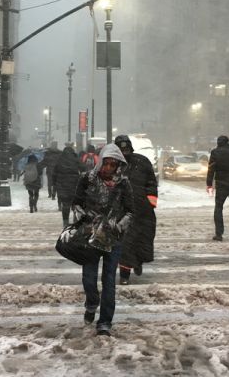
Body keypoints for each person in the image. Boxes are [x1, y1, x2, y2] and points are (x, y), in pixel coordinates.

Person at [72, 143, 134, 336]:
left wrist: (119, 225)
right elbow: (76, 203)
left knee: (109, 280)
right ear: (100, 162)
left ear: (118, 165)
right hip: (91, 237)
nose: (108, 168)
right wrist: (85, 217)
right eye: (106, 163)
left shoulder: (123, 184)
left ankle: (105, 321)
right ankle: (91, 303)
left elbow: (130, 211)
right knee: (88, 278)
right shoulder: (87, 179)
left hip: (113, 239)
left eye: (112, 164)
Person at [114, 135, 158, 285]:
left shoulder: (142, 161)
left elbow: (151, 182)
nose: (124, 151)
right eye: (121, 148)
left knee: (142, 240)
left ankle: (138, 261)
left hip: (143, 211)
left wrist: (150, 201)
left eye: (126, 148)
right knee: (125, 243)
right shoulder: (112, 164)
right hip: (122, 212)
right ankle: (124, 274)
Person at [52, 146, 84, 227]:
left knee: (65, 204)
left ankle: (65, 222)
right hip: (74, 184)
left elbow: (54, 173)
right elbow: (83, 168)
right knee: (75, 203)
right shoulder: (75, 159)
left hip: (62, 185)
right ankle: (75, 221)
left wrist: (54, 183)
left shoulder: (60, 159)